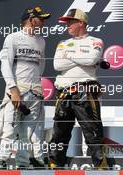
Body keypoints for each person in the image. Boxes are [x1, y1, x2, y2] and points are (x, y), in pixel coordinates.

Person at [49, 8, 107, 169]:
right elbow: (57, 64)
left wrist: (70, 56)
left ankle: (100, 166)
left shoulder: (96, 40)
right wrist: (83, 59)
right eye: (66, 22)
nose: (67, 25)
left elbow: (92, 59)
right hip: (64, 92)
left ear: (81, 23)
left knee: (92, 131)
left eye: (70, 22)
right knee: (59, 132)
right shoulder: (63, 44)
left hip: (85, 91)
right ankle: (54, 164)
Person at [0, 6, 50, 169]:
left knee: (27, 132)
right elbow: (5, 65)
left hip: (35, 92)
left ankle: (23, 162)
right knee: (10, 128)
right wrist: (13, 89)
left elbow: (41, 66)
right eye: (41, 19)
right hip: (16, 90)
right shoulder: (13, 38)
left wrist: (35, 87)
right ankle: (2, 160)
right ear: (31, 19)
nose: (43, 22)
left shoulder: (41, 41)